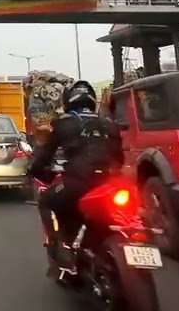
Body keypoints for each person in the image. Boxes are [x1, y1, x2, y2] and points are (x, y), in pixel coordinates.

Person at [28, 80, 124, 273]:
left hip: (79, 183)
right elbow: (120, 158)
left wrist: (36, 171)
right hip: (112, 185)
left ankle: (61, 247)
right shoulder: (109, 124)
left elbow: (43, 158)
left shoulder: (64, 125)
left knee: (46, 200)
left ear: (68, 102)